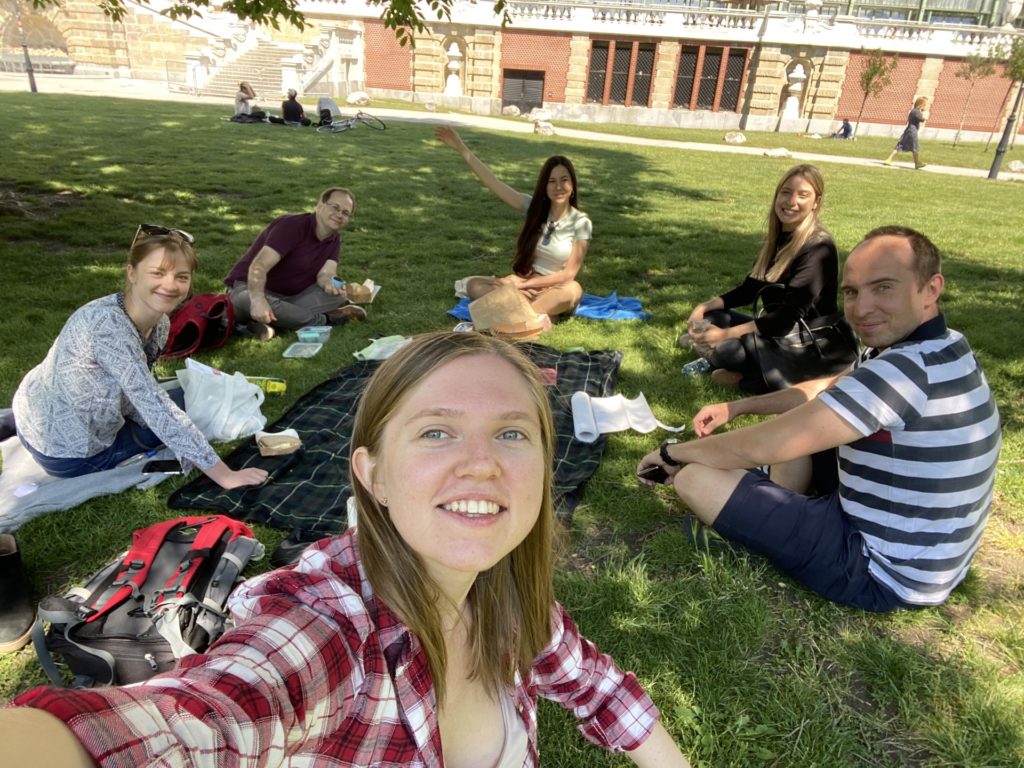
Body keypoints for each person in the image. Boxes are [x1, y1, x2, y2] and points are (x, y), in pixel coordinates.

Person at [3, 331, 692, 768]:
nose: (482, 463)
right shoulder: (326, 626)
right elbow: (195, 723)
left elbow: (597, 686)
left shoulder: (511, 595)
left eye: (513, 434)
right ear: (372, 474)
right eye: (436, 432)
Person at [640, 226, 1001, 612]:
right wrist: (736, 408)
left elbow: (765, 444)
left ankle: (765, 516)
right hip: (930, 555)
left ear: (931, 288)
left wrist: (675, 451)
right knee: (795, 427)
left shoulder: (900, 373)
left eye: (883, 287)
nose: (861, 308)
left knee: (696, 477)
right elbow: (823, 388)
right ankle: (776, 506)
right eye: (852, 292)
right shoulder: (942, 345)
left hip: (880, 570)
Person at [11, 225, 269, 491]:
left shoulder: (159, 323)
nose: (170, 285)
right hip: (68, 455)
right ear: (131, 273)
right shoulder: (106, 326)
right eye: (157, 273)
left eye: (181, 277)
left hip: (35, 414)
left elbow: (142, 387)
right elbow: (156, 408)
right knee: (187, 407)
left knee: (186, 397)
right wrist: (225, 475)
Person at [680, 164, 838, 392]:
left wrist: (725, 335)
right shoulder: (779, 238)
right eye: (786, 192)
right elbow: (750, 289)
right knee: (714, 316)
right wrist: (704, 306)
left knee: (728, 349)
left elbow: (786, 318)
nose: (791, 201)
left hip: (803, 343)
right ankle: (733, 363)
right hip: (773, 331)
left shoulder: (818, 247)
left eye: (803, 195)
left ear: (816, 203)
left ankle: (741, 370)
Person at [435, 125, 591, 319]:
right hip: (524, 284)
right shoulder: (532, 207)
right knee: (473, 285)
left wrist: (524, 285)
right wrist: (462, 148)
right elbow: (493, 182)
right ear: (544, 186)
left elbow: (568, 275)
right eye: (551, 181)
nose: (558, 186)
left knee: (573, 291)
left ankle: (516, 313)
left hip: (554, 288)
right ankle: (533, 316)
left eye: (564, 180)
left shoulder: (581, 222)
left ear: (572, 185)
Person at [224, 187, 367, 341]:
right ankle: (326, 320)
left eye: (345, 213)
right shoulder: (291, 226)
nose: (339, 215)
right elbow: (259, 266)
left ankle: (262, 324)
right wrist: (258, 299)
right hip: (251, 288)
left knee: (338, 297)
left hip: (291, 298)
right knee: (246, 299)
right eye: (335, 207)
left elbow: (326, 273)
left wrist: (330, 285)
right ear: (320, 205)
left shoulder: (334, 239)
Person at [884, 97, 928, 169]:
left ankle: (889, 159)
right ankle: (917, 163)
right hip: (912, 131)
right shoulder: (916, 111)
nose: (925, 107)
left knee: (900, 144)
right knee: (915, 146)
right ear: (921, 104)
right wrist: (922, 113)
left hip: (909, 130)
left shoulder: (914, 111)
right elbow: (921, 119)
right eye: (924, 105)